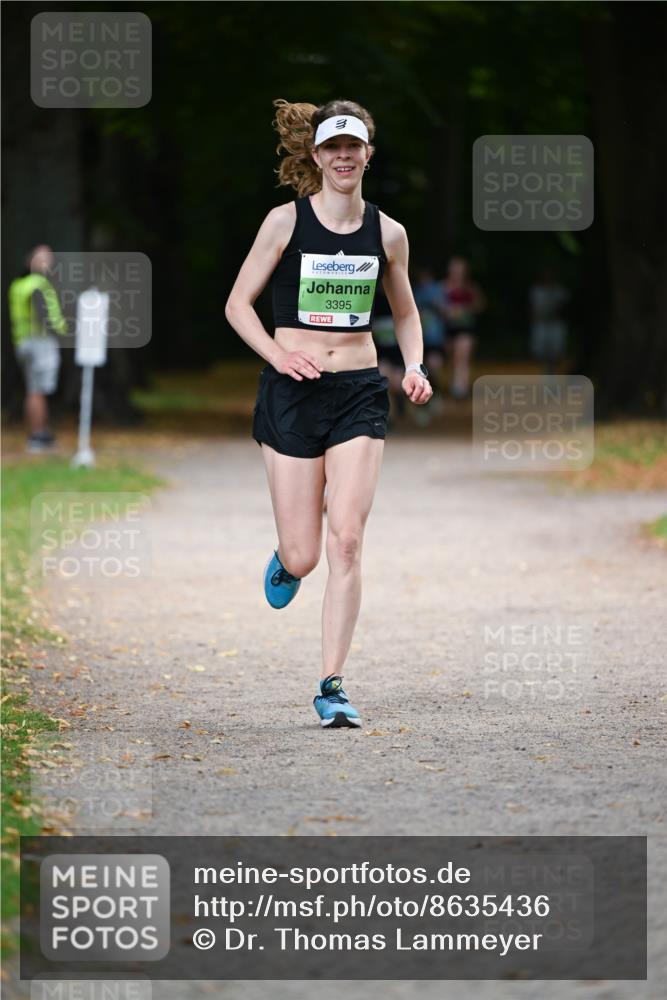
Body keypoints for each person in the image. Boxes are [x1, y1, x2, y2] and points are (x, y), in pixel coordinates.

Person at [225, 98, 432, 729]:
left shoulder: (387, 232)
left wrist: (416, 366)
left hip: (359, 393)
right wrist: (278, 354)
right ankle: (287, 560)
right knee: (307, 553)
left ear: (368, 153)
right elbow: (238, 304)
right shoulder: (284, 223)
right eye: (332, 147)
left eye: (354, 146)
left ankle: (332, 685)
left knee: (347, 539)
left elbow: (405, 311)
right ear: (316, 156)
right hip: (292, 392)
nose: (344, 156)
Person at [8, 245, 68, 453]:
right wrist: (64, 329)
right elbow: (46, 315)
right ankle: (38, 436)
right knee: (39, 391)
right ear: (31, 262)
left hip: (22, 342)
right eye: (42, 258)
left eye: (49, 258)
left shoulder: (17, 285)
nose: (47, 263)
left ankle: (38, 433)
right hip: (40, 342)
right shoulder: (39, 284)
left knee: (33, 389)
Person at [442, 256, 485, 399]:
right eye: (455, 269)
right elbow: (436, 305)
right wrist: (447, 310)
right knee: (453, 358)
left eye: (460, 270)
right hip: (449, 329)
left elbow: (480, 306)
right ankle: (454, 385)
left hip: (466, 328)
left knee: (463, 355)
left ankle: (461, 388)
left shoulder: (471, 288)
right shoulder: (444, 286)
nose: (457, 272)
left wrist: (465, 309)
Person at [529, 267, 570, 374]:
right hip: (541, 324)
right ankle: (547, 371)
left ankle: (551, 372)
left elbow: (565, 309)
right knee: (540, 352)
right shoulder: (536, 290)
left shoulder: (560, 291)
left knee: (557, 352)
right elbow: (533, 308)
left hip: (556, 324)